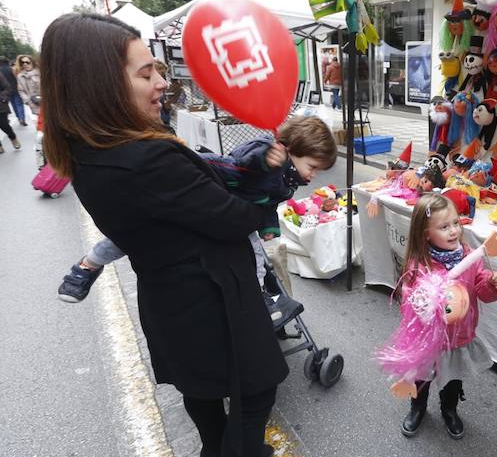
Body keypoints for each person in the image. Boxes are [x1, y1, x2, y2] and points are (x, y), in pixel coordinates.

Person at [41, 13, 302, 457]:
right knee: (255, 391)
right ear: (99, 83)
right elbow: (233, 220)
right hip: (211, 292)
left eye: (157, 69)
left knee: (198, 384)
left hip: (166, 289)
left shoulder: (88, 151)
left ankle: (213, 451)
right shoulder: (145, 157)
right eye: (145, 74)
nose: (163, 82)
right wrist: (277, 184)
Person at [57, 116, 337, 324]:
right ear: (292, 149)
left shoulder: (291, 178)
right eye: (312, 166)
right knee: (133, 235)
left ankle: (260, 297)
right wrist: (265, 160)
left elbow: (268, 201)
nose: (312, 175)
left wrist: (268, 227)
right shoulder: (268, 150)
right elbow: (242, 161)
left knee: (258, 259)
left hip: (234, 215)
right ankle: (87, 265)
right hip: (205, 188)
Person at [394, 193, 497, 439]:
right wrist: (426, 306)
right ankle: (418, 406)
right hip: (427, 338)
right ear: (426, 233)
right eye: (444, 227)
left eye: (456, 223)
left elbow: (482, 290)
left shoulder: (470, 258)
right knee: (422, 376)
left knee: (453, 377)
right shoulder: (419, 264)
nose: (453, 231)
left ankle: (449, 408)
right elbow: (410, 302)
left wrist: (492, 283)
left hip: (458, 336)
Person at [0, 56, 26, 126]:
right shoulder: (11, 69)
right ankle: (21, 118)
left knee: (13, 104)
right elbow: (16, 78)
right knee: (19, 104)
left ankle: (17, 117)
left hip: (5, 91)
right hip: (15, 89)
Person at [0, 69, 22, 152]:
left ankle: (13, 137)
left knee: (4, 125)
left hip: (0, 106)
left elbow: (7, 87)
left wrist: (3, 98)